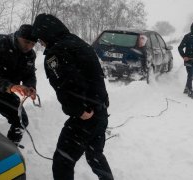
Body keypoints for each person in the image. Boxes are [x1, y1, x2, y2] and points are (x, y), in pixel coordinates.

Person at [32, 13, 114, 180]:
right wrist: (101, 102)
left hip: (85, 115)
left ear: (46, 33)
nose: (41, 42)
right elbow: (95, 75)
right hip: (100, 110)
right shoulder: (78, 43)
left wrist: (78, 109)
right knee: (94, 154)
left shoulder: (57, 52)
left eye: (40, 38)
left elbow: (68, 84)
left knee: (63, 161)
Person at [0, 24, 37, 146]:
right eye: (26, 42)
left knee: (21, 121)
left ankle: (11, 150)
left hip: (5, 92)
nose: (29, 46)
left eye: (32, 44)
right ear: (18, 36)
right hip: (6, 87)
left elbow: (29, 75)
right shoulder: (1, 43)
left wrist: (30, 86)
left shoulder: (30, 55)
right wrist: (9, 86)